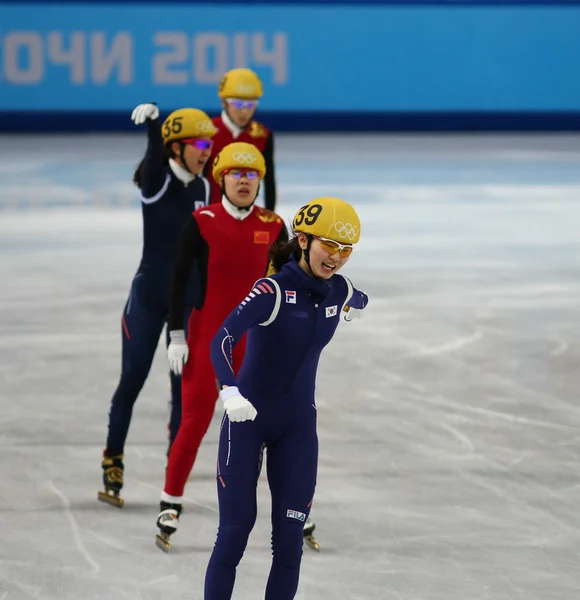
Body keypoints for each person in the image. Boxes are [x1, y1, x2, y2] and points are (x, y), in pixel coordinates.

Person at [204, 197, 369, 600]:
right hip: (247, 421)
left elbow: (357, 295)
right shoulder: (272, 291)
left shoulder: (339, 289)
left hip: (297, 427)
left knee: (291, 540)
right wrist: (230, 390)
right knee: (236, 531)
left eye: (346, 250)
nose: (337, 258)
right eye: (329, 246)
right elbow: (221, 339)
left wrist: (355, 305)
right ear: (302, 239)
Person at [155, 142, 288, 551]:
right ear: (221, 178)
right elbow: (178, 282)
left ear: (259, 180)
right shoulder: (201, 221)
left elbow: (288, 287)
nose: (244, 181)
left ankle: (295, 508)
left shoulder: (275, 224)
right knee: (193, 420)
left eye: (251, 175)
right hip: (206, 333)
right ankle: (170, 502)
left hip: (256, 340)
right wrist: (176, 334)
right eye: (236, 173)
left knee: (274, 427)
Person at [98, 103, 216, 508]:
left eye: (210, 143)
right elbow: (153, 157)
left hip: (187, 301)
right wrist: (153, 126)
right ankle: (113, 459)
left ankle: (173, 464)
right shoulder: (157, 180)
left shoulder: (204, 187)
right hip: (149, 298)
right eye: (200, 143)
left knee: (181, 390)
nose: (208, 150)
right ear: (176, 147)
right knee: (132, 379)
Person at [206, 68, 277, 211]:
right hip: (209, 213)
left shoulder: (262, 135)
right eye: (238, 104)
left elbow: (269, 182)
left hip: (244, 215)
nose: (244, 111)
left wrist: (270, 216)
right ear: (224, 102)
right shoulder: (206, 132)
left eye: (250, 105)